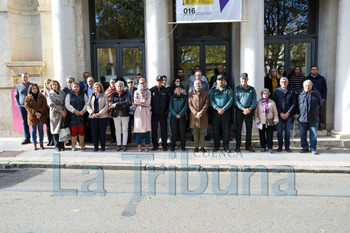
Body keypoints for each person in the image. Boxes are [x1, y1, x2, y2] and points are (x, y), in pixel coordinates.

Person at [295, 80, 323, 155]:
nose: (307, 87)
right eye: (306, 85)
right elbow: (296, 104)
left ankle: (313, 148)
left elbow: (320, 103)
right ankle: (304, 147)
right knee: (302, 133)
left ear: (312, 86)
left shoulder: (316, 93)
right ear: (303, 86)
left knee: (313, 134)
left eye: (309, 85)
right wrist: (297, 113)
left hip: (314, 117)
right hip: (302, 117)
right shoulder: (300, 93)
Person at [209, 75, 233, 152]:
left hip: (225, 112)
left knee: (225, 130)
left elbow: (230, 100)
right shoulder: (212, 90)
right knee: (216, 130)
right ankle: (216, 146)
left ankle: (226, 146)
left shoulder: (228, 90)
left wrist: (223, 108)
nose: (220, 81)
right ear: (216, 81)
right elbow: (211, 100)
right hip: (216, 112)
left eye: (222, 80)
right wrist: (217, 108)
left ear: (224, 81)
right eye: (219, 80)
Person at [234, 73, 257, 152]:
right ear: (240, 80)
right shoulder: (237, 89)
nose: (244, 80)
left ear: (247, 80)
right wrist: (243, 108)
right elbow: (236, 101)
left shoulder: (251, 89)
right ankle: (238, 146)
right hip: (240, 111)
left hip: (249, 111)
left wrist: (250, 109)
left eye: (245, 79)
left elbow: (254, 100)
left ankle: (248, 146)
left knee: (249, 129)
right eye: (242, 79)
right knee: (238, 129)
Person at [272, 77, 297, 152]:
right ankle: (280, 146)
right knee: (279, 131)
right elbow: (274, 103)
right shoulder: (276, 91)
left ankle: (287, 146)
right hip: (279, 115)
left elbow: (294, 103)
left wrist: (288, 113)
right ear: (279, 83)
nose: (284, 83)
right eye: (282, 82)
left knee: (287, 131)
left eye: (285, 81)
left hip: (288, 115)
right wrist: (280, 113)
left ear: (288, 82)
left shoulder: (291, 91)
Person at [150, 75, 172, 151]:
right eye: (157, 81)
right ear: (156, 81)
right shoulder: (151, 90)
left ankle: (164, 145)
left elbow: (169, 101)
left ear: (162, 82)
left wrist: (167, 111)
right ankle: (155, 145)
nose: (159, 82)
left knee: (164, 130)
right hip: (155, 113)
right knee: (154, 130)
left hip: (163, 113)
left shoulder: (166, 90)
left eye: (160, 81)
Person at [65, 82, 88, 151]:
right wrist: (74, 110)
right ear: (72, 88)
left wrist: (83, 110)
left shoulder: (83, 94)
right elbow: (67, 104)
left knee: (81, 131)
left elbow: (87, 103)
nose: (76, 88)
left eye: (77, 87)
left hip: (82, 115)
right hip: (73, 116)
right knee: (74, 132)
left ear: (79, 87)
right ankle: (73, 145)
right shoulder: (69, 95)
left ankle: (82, 144)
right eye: (74, 87)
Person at [254, 88, 279, 153]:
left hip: (269, 121)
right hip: (261, 121)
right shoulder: (258, 102)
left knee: (270, 135)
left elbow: (275, 112)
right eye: (264, 93)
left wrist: (275, 119)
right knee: (261, 135)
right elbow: (255, 113)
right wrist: (257, 120)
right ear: (262, 94)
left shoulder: (272, 102)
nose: (265, 95)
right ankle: (263, 147)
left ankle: (270, 148)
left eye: (267, 93)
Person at [25, 83, 48, 150]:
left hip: (41, 116)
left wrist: (40, 112)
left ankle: (41, 143)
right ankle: (34, 144)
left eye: (36, 88)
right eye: (33, 89)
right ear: (30, 89)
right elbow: (27, 107)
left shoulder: (42, 96)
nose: (35, 90)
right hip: (32, 116)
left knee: (41, 130)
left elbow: (44, 105)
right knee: (33, 130)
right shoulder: (27, 98)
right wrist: (35, 112)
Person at [86, 82, 109, 151]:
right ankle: (95, 146)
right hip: (93, 117)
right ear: (93, 88)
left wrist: (100, 113)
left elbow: (106, 105)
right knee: (94, 132)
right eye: (95, 87)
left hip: (102, 117)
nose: (96, 88)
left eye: (98, 87)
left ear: (100, 88)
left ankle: (103, 146)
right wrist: (92, 113)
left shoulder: (104, 95)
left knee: (102, 132)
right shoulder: (91, 96)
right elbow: (88, 105)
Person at [188, 79, 209, 152]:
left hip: (202, 115)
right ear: (194, 85)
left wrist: (201, 112)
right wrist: (196, 113)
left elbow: (206, 104)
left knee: (202, 132)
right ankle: (196, 146)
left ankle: (202, 146)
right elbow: (190, 105)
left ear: (201, 84)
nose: (197, 85)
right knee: (195, 132)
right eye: (196, 83)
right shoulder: (191, 94)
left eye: (199, 83)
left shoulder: (205, 93)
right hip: (194, 116)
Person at [305, 65, 327, 130]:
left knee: (318, 112)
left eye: (315, 69)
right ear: (310, 70)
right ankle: (308, 125)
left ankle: (318, 125)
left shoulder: (321, 78)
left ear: (317, 70)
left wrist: (323, 97)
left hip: (318, 98)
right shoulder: (307, 78)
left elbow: (324, 89)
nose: (314, 70)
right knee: (308, 111)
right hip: (308, 97)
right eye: (312, 69)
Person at [47, 80, 67, 151]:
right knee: (55, 130)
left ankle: (62, 145)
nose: (55, 86)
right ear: (51, 86)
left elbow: (65, 102)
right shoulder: (50, 94)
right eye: (53, 85)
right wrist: (60, 110)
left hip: (63, 113)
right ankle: (57, 145)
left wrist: (64, 111)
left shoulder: (63, 93)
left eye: (56, 84)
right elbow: (51, 104)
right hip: (55, 113)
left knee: (62, 129)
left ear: (58, 85)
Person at [110, 81, 130, 151]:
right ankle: (118, 144)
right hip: (116, 114)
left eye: (121, 86)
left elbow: (127, 102)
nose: (119, 87)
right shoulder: (113, 95)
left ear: (123, 86)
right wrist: (121, 105)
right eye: (118, 86)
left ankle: (124, 144)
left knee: (125, 129)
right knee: (117, 130)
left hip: (125, 114)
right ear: (116, 87)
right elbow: (112, 105)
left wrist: (117, 104)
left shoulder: (126, 93)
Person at [134, 78, 151, 152]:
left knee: (147, 129)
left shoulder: (148, 91)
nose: (142, 84)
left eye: (143, 83)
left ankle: (147, 146)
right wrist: (143, 101)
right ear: (138, 84)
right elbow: (135, 101)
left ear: (146, 83)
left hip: (146, 110)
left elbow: (148, 102)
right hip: (139, 111)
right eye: (141, 83)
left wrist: (141, 102)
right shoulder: (136, 91)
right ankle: (139, 146)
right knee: (138, 129)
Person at [169, 83, 188, 151]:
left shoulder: (185, 97)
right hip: (174, 117)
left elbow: (186, 107)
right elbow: (170, 107)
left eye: (179, 88)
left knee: (182, 132)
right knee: (174, 132)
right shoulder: (172, 97)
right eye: (177, 88)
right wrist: (175, 114)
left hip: (182, 117)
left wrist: (180, 114)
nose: (178, 89)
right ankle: (173, 146)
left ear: (181, 89)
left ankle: (183, 146)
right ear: (175, 89)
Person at [14, 72, 32, 144]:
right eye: (24, 77)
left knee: (33, 122)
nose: (25, 78)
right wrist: (19, 105)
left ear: (28, 77)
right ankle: (27, 138)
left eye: (26, 77)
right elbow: (16, 96)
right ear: (21, 78)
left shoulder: (32, 85)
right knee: (25, 122)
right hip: (22, 107)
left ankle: (34, 138)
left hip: (31, 107)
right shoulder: (18, 86)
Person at [158, 75, 172, 144]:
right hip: (160, 111)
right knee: (160, 124)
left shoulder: (169, 89)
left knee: (168, 124)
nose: (164, 81)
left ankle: (169, 137)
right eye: (163, 80)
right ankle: (160, 137)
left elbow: (171, 99)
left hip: (168, 110)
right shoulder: (158, 89)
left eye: (165, 80)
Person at [41, 78, 53, 146]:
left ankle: (54, 140)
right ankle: (49, 140)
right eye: (46, 83)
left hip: (53, 111)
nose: (48, 84)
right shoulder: (43, 92)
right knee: (48, 126)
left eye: (49, 83)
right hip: (46, 111)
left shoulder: (53, 91)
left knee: (53, 126)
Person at [105, 78, 117, 143]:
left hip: (117, 109)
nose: (112, 83)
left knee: (117, 125)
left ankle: (118, 137)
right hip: (110, 110)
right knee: (112, 125)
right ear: (109, 83)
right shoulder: (107, 91)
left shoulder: (117, 90)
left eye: (114, 82)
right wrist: (109, 105)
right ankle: (113, 137)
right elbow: (105, 99)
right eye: (111, 82)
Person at [125, 77, 137, 143]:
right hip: (127, 109)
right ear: (127, 83)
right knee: (128, 125)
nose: (130, 83)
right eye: (129, 82)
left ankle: (136, 139)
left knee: (136, 124)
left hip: (135, 109)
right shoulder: (125, 91)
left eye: (131, 82)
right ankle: (129, 139)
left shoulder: (137, 90)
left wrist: (133, 106)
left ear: (134, 82)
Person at [83, 76, 95, 142]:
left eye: (92, 81)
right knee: (87, 125)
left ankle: (94, 138)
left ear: (94, 82)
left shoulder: (97, 89)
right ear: (87, 82)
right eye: (89, 81)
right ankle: (89, 138)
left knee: (94, 125)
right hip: (86, 109)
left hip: (95, 109)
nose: (90, 82)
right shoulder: (84, 90)